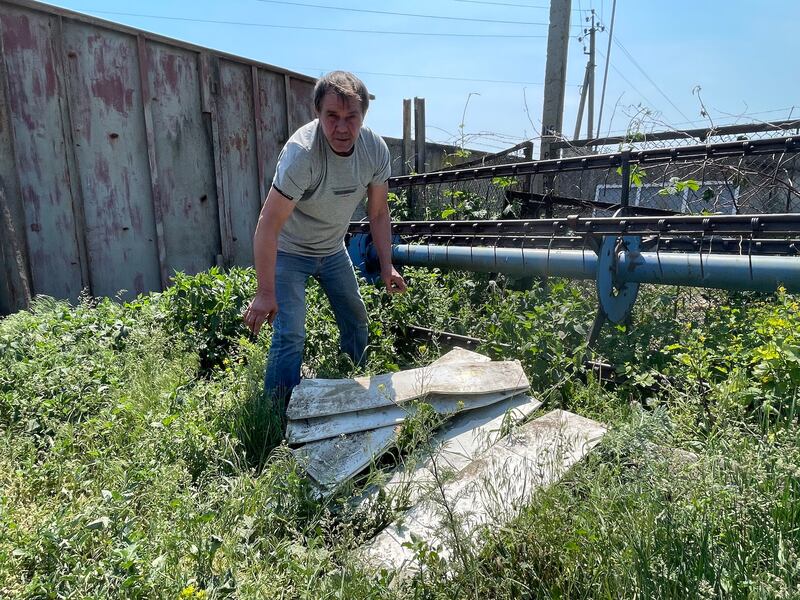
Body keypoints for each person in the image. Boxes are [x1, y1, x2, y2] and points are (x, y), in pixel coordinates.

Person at [243, 71, 407, 414]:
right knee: (291, 334)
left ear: (364, 116)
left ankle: (353, 386)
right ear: (318, 113)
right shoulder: (303, 154)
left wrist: (387, 264)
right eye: (332, 116)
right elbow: (268, 223)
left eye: (352, 117)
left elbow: (377, 213)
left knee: (356, 318)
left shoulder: (374, 151)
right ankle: (279, 414)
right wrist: (265, 291)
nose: (342, 128)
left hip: (332, 250)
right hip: (290, 251)